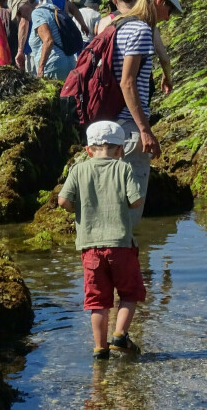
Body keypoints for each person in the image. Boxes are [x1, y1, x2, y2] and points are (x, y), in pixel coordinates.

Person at [58, 120, 146, 359]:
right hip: (121, 245)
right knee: (130, 293)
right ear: (120, 150)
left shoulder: (78, 169)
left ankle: (100, 349)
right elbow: (136, 201)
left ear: (88, 150)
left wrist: (79, 209)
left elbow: (63, 201)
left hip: (90, 248)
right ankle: (119, 335)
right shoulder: (123, 168)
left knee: (97, 301)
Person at [112, 0, 183, 226]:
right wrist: (145, 130)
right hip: (129, 129)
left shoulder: (119, 24)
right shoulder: (141, 30)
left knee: (112, 207)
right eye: (170, 9)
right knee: (128, 214)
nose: (169, 17)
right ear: (160, 1)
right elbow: (127, 83)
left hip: (111, 124)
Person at [97, 0, 175, 95]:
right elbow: (164, 58)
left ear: (114, 0)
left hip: (108, 88)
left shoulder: (106, 22)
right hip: (136, 88)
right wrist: (167, 77)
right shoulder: (144, 25)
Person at [28, 0, 78, 80]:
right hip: (69, 62)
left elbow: (48, 41)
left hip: (52, 66)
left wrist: (40, 68)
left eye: (19, 12)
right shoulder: (55, 9)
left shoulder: (37, 13)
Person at [7, 0, 35, 70]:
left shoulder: (39, 14)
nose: (20, 15)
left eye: (18, 11)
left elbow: (48, 41)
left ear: (26, 1)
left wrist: (40, 68)